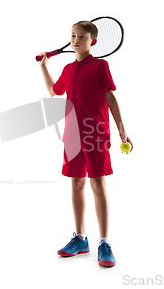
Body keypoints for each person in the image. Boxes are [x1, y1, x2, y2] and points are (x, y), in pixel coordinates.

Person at [38, 20, 133, 267]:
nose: (76, 39)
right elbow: (53, 91)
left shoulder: (100, 66)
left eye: (82, 36)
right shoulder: (68, 69)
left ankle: (104, 242)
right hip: (72, 136)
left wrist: (122, 129)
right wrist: (43, 67)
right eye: (73, 35)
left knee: (98, 184)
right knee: (76, 184)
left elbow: (110, 97)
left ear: (93, 41)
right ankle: (80, 239)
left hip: (95, 134)